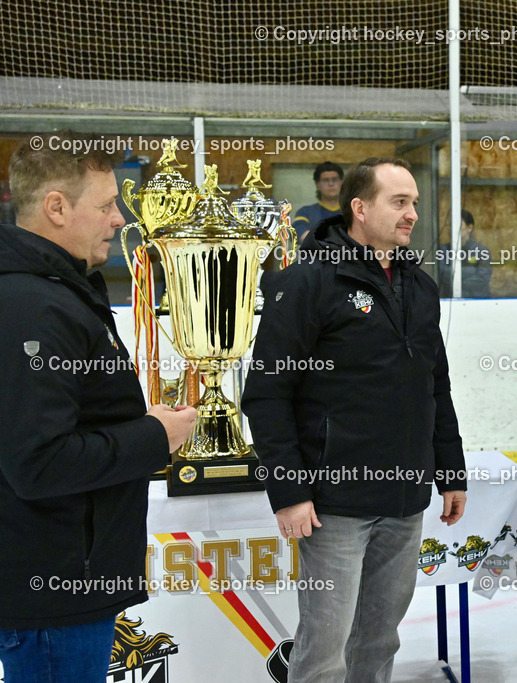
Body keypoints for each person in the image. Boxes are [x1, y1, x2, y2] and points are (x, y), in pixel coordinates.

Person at [241, 157, 468, 682]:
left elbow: (434, 385)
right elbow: (268, 394)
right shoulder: (306, 283)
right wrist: (289, 490)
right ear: (360, 208)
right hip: (334, 504)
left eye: (414, 203)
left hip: (405, 498)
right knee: (325, 648)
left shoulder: (420, 287)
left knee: (380, 639)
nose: (412, 214)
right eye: (399, 202)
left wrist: (450, 470)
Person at [0, 132, 197, 681]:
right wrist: (153, 437)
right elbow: (38, 462)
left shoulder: (56, 291)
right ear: (56, 207)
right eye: (107, 204)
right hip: (53, 591)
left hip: (67, 577)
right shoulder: (32, 305)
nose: (118, 219)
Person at [438, 209, 492, 298]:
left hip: (478, 300)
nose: (453, 228)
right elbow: (442, 274)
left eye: (458, 224)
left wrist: (456, 277)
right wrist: (472, 271)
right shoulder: (443, 250)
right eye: (451, 224)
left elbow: (482, 280)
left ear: (469, 228)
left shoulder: (482, 251)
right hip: (450, 300)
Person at [293, 161, 343, 243]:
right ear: (318, 185)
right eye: (326, 180)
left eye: (334, 179)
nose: (331, 184)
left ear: (341, 182)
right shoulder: (305, 212)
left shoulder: (353, 212)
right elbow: (298, 233)